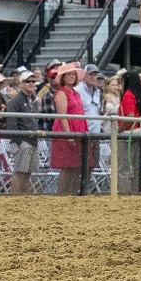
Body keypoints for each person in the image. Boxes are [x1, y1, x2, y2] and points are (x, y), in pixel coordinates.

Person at [51, 63, 87, 195]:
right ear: (63, 77)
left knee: (76, 166)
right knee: (66, 167)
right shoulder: (61, 93)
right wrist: (68, 134)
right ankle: (62, 194)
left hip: (78, 129)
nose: (71, 76)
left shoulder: (76, 93)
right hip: (67, 130)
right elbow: (62, 116)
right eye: (68, 74)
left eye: (73, 74)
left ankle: (72, 193)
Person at [7, 70, 41, 194]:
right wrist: (18, 141)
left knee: (28, 172)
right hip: (23, 141)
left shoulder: (34, 101)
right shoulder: (16, 101)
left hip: (32, 140)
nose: (31, 83)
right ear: (21, 84)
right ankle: (15, 198)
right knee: (20, 172)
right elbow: (11, 123)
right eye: (28, 81)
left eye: (33, 81)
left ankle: (24, 198)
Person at [116, 69, 141, 194]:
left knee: (123, 168)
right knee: (135, 167)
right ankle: (135, 193)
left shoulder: (128, 95)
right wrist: (140, 125)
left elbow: (129, 115)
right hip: (138, 134)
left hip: (126, 136)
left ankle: (124, 194)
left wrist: (120, 128)